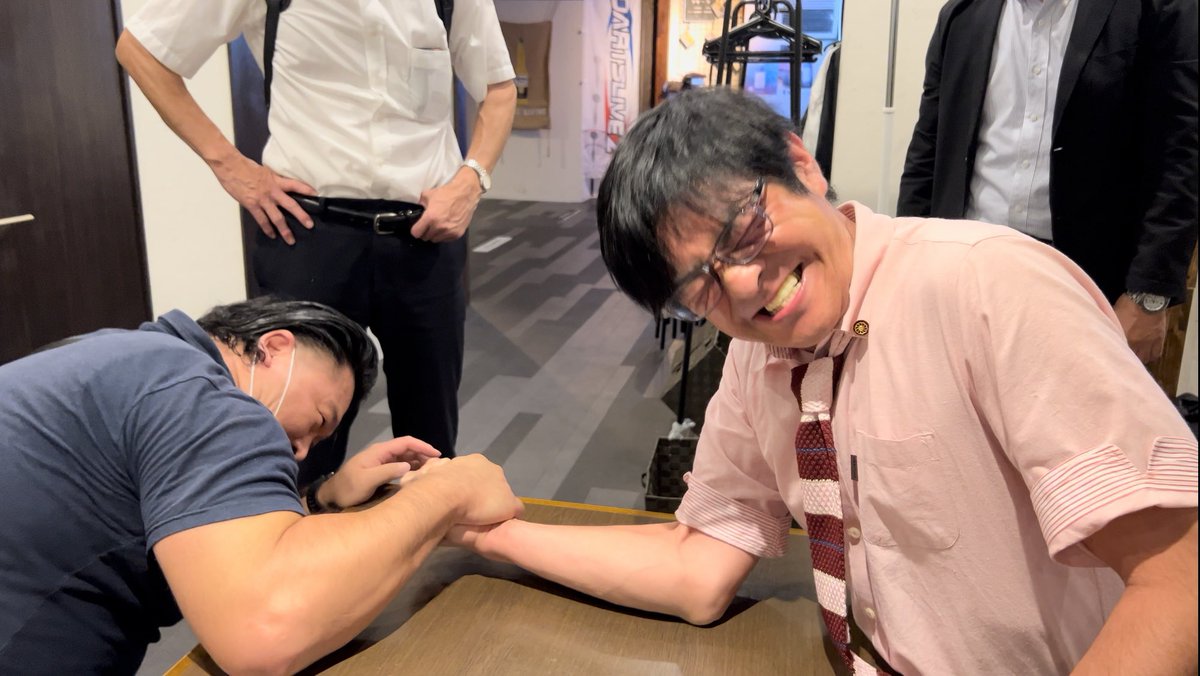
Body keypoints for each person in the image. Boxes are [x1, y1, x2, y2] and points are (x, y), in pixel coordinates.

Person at [447, 88, 1198, 674]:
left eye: (743, 231)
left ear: (800, 165)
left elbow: (1181, 578)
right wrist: (491, 535)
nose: (743, 286)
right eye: (699, 284)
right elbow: (697, 564)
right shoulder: (756, 359)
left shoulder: (987, 286)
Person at [0, 297, 522, 674]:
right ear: (273, 346)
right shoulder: (202, 391)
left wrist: (320, 498)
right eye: (321, 418)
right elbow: (264, 631)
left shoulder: (122, 355)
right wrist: (447, 490)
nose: (302, 450)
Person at [115, 0, 518, 483]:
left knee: (430, 439)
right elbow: (141, 49)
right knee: (298, 438)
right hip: (307, 234)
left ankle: (425, 525)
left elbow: (499, 87)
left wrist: (472, 180)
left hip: (424, 237)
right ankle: (294, 525)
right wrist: (229, 165)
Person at [896, 0, 1198, 364]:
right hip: (963, 270)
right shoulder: (962, 15)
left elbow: (1181, 155)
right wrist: (903, 260)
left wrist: (1148, 296)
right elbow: (929, 146)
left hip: (1091, 285)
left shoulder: (1155, 10)